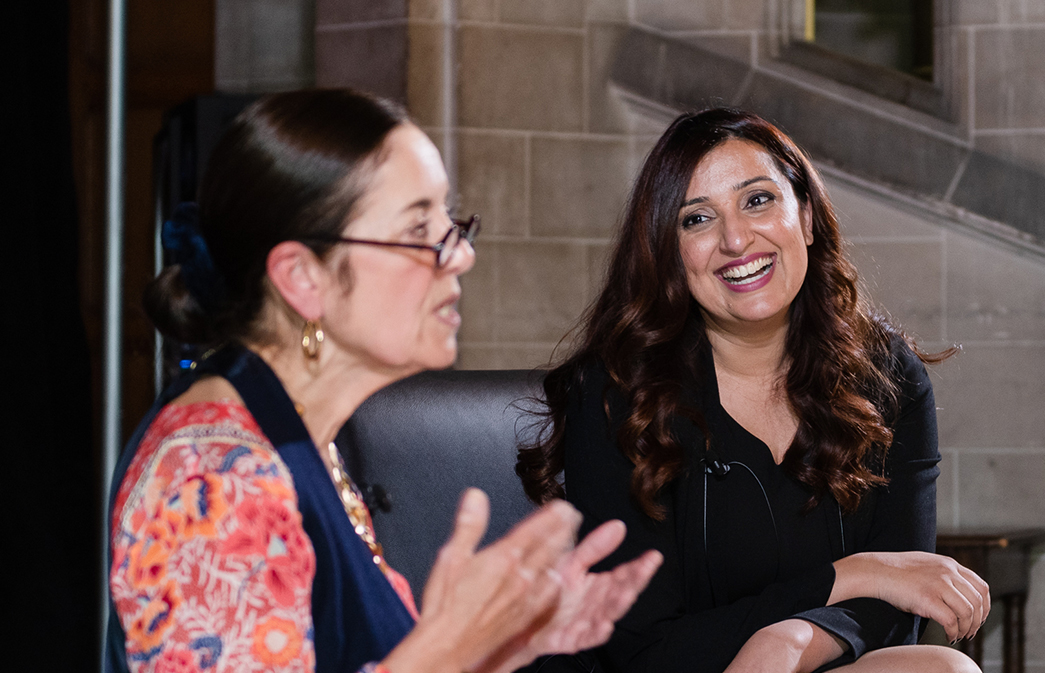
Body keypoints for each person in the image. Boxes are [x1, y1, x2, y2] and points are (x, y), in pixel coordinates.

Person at [106, 89, 662, 673]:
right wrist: (449, 648)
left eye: (450, 219)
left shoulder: (295, 434)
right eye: (419, 228)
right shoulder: (214, 478)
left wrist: (500, 645)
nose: (461, 256)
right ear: (302, 278)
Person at [516, 108, 990, 673]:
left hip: (808, 663)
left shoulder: (887, 375)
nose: (736, 238)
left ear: (806, 218)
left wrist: (792, 641)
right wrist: (851, 576)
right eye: (696, 219)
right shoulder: (620, 394)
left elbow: (902, 605)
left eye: (758, 200)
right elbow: (642, 651)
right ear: (670, 254)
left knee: (944, 669)